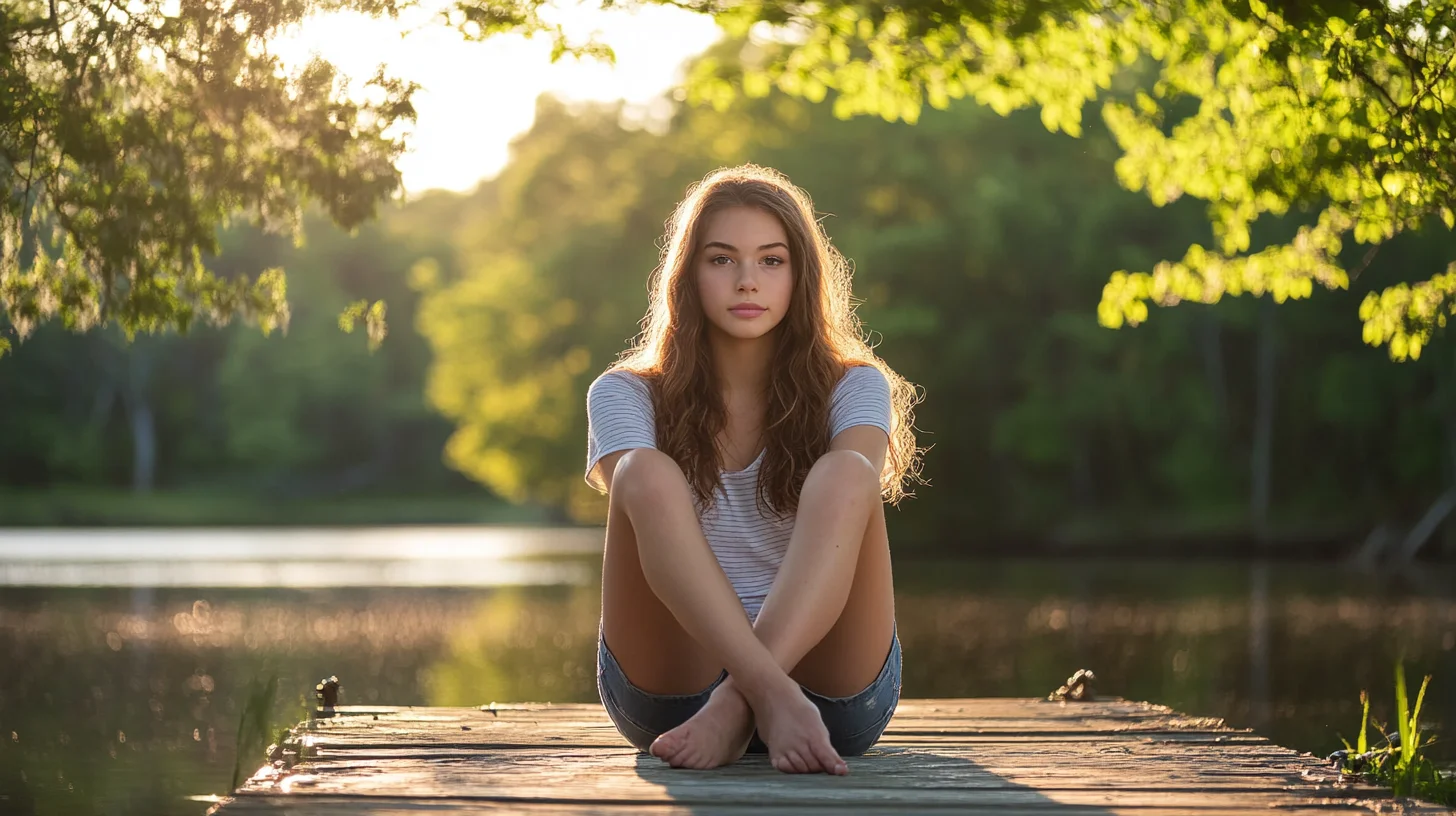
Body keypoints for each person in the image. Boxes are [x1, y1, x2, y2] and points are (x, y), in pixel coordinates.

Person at [584, 164, 924, 775]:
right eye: (721, 260)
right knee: (643, 472)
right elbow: (635, 501)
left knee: (847, 473)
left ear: (802, 275)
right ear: (687, 274)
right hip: (674, 692)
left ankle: (740, 705)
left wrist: (739, 696)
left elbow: (856, 490)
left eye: (771, 261)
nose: (747, 282)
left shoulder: (856, 385)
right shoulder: (624, 393)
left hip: (827, 692)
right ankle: (764, 694)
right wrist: (770, 689)